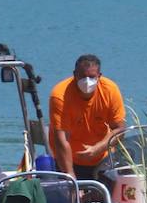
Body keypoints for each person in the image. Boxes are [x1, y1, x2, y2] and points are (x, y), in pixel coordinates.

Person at [48, 54, 126, 183]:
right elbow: (61, 139)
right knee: (71, 197)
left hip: (103, 160)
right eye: (82, 76)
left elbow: (120, 129)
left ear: (99, 76)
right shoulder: (60, 95)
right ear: (74, 74)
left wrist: (98, 148)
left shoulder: (110, 90)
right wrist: (70, 175)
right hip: (68, 160)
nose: (87, 81)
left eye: (91, 77)